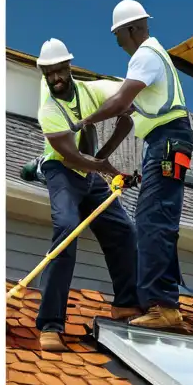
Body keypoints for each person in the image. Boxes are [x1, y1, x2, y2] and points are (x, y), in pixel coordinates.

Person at [75, 0, 193, 331]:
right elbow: (128, 115)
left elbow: (120, 102)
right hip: (166, 142)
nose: (118, 42)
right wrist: (104, 158)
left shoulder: (145, 56)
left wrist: (85, 120)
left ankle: (162, 305)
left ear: (131, 29)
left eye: (118, 35)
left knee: (153, 221)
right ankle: (162, 302)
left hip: (167, 142)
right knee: (156, 219)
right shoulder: (154, 57)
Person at [32, 38, 139, 353]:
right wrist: (111, 172)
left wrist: (107, 162)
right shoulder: (49, 109)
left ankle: (126, 305)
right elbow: (72, 159)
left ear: (69, 67)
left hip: (90, 174)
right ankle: (50, 324)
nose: (54, 78)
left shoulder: (93, 91)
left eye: (58, 71)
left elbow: (128, 114)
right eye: (48, 73)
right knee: (66, 229)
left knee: (124, 230)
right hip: (62, 171)